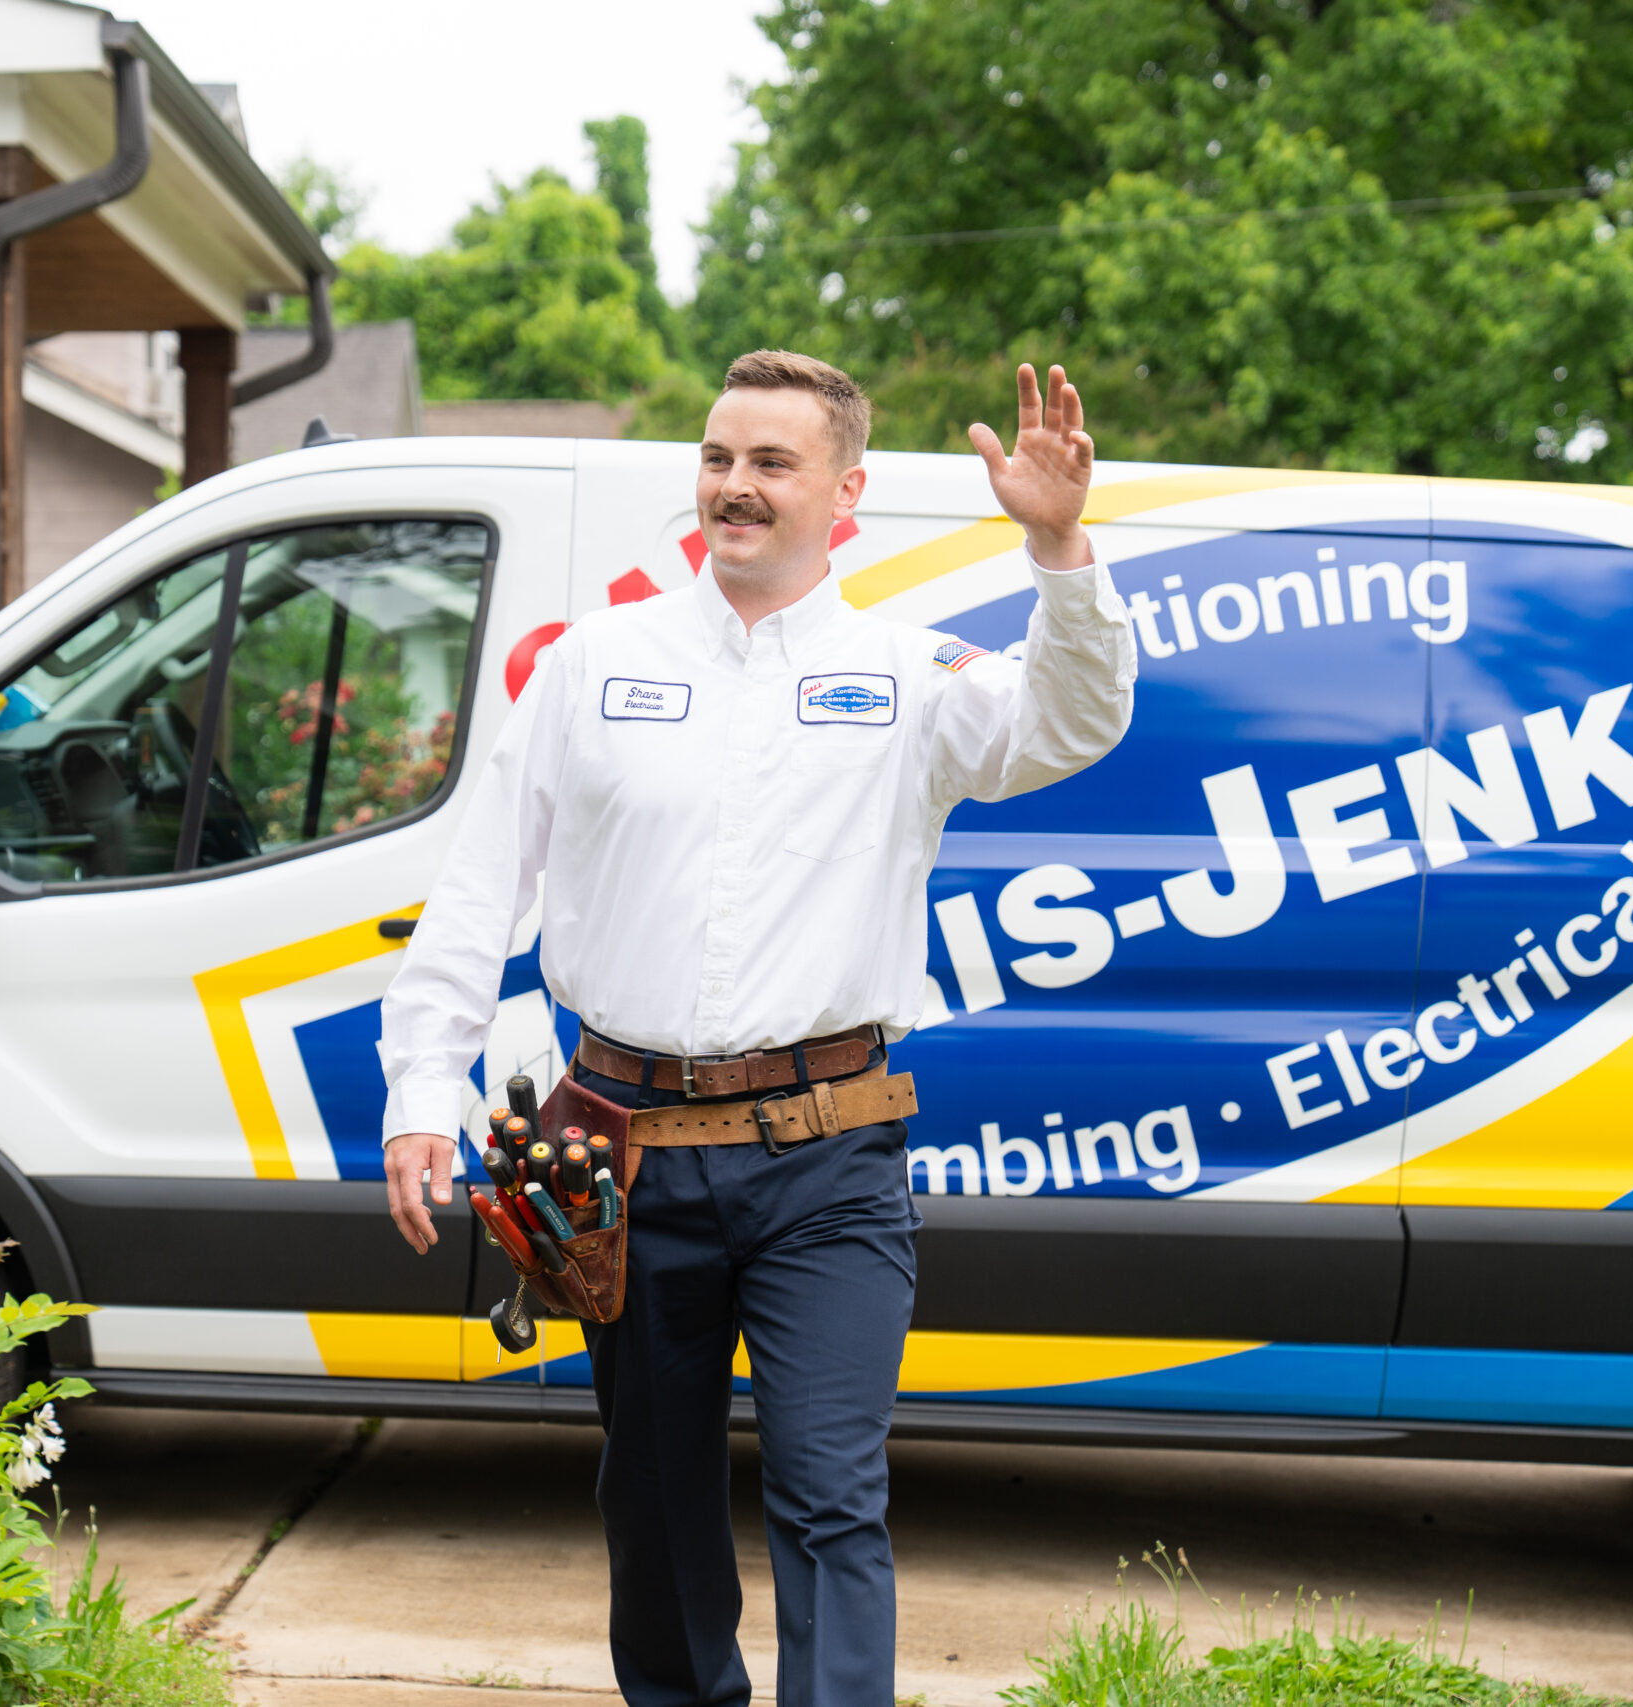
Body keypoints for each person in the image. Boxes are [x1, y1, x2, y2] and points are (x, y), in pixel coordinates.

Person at [378, 351, 1136, 1707]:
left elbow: (1072, 720)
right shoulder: (593, 666)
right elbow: (483, 882)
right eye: (720, 458)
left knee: (830, 1492)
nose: (735, 486)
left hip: (828, 1162)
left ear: (845, 495)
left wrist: (1059, 545)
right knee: (654, 1502)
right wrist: (423, 1086)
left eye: (772, 464)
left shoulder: (910, 677)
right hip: (622, 1157)